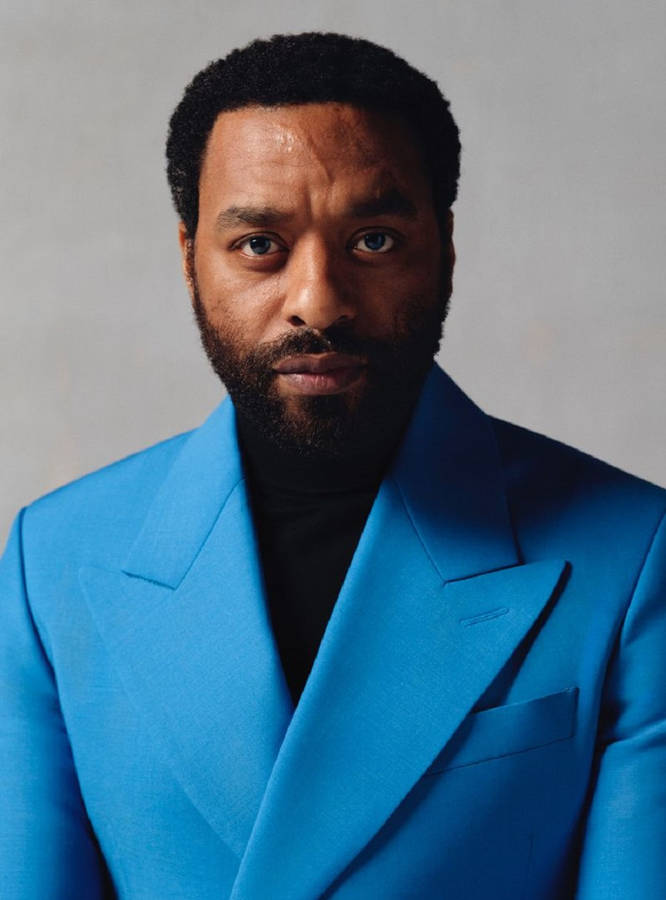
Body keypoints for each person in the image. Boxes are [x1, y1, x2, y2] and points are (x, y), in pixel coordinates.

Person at [1, 31, 664, 900]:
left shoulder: (635, 553)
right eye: (259, 245)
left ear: (445, 248)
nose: (318, 301)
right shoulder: (54, 559)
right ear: (189, 258)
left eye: (374, 240)